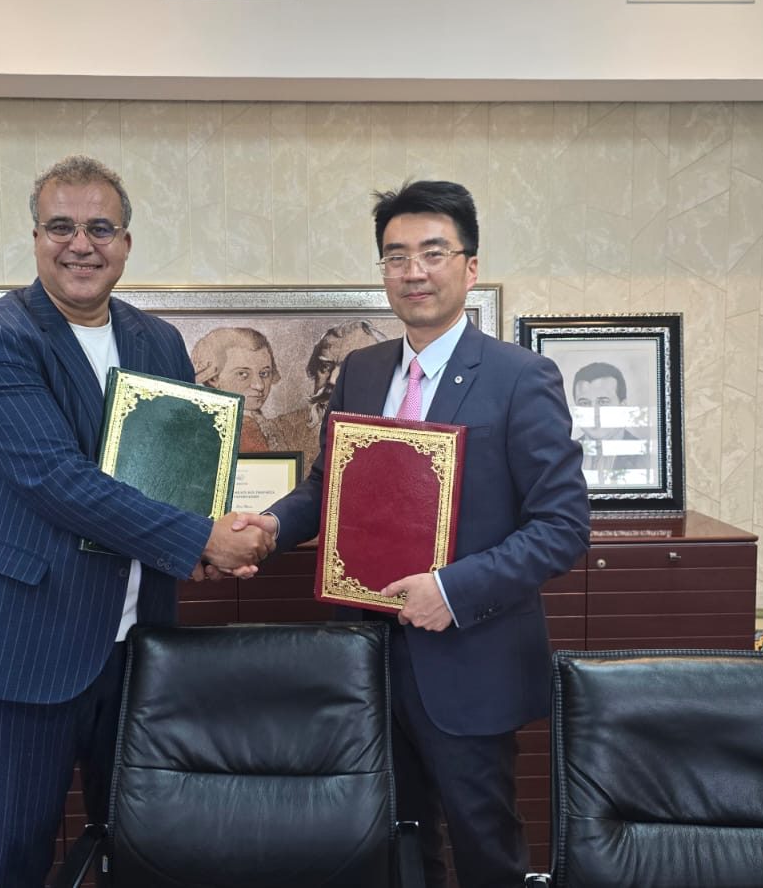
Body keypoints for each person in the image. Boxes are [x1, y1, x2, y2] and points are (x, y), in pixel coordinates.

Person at [0, 154, 276, 888]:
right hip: (30, 641)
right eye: (61, 227)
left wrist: (215, 532)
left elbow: (179, 470)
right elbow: (54, 479)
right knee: (16, 856)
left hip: (140, 642)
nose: (80, 245)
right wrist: (199, 539)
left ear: (125, 243)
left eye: (100, 228)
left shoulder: (158, 341)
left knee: (141, 846)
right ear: (36, 238)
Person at [250, 179, 590, 887]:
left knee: (484, 846)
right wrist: (271, 525)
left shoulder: (521, 378)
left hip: (469, 656)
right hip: (366, 656)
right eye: (396, 256)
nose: (414, 271)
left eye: (433, 253)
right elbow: (329, 488)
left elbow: (562, 527)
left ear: (469, 266)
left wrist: (452, 591)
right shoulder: (364, 370)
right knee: (394, 845)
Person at [263, 319, 386, 473]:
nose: (333, 380)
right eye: (325, 367)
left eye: (350, 368)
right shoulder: (279, 430)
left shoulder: (395, 433)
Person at [191, 326, 279, 451]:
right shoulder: (212, 431)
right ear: (213, 379)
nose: (259, 385)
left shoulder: (259, 423)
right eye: (242, 374)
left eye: (264, 373)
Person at [571, 360, 656, 487]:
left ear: (623, 407)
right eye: (584, 403)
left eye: (603, 402)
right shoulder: (564, 456)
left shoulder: (647, 457)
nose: (594, 413)